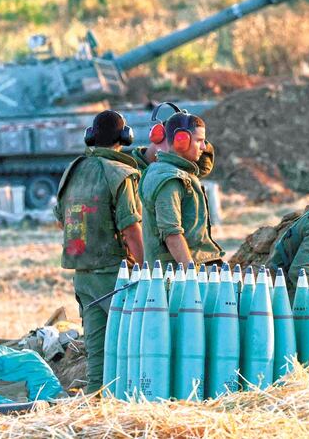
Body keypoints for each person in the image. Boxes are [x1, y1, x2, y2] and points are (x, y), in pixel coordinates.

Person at [54, 109, 144, 394]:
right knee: (132, 345)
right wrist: (147, 268)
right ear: (125, 137)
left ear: (90, 136)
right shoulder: (120, 174)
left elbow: (61, 219)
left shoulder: (73, 170)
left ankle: (96, 399)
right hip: (114, 276)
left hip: (84, 276)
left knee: (96, 351)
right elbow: (130, 229)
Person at [140, 112, 224, 267]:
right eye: (199, 141)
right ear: (181, 141)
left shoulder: (173, 171)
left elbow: (204, 166)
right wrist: (192, 276)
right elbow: (172, 235)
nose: (204, 147)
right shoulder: (169, 179)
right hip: (175, 278)